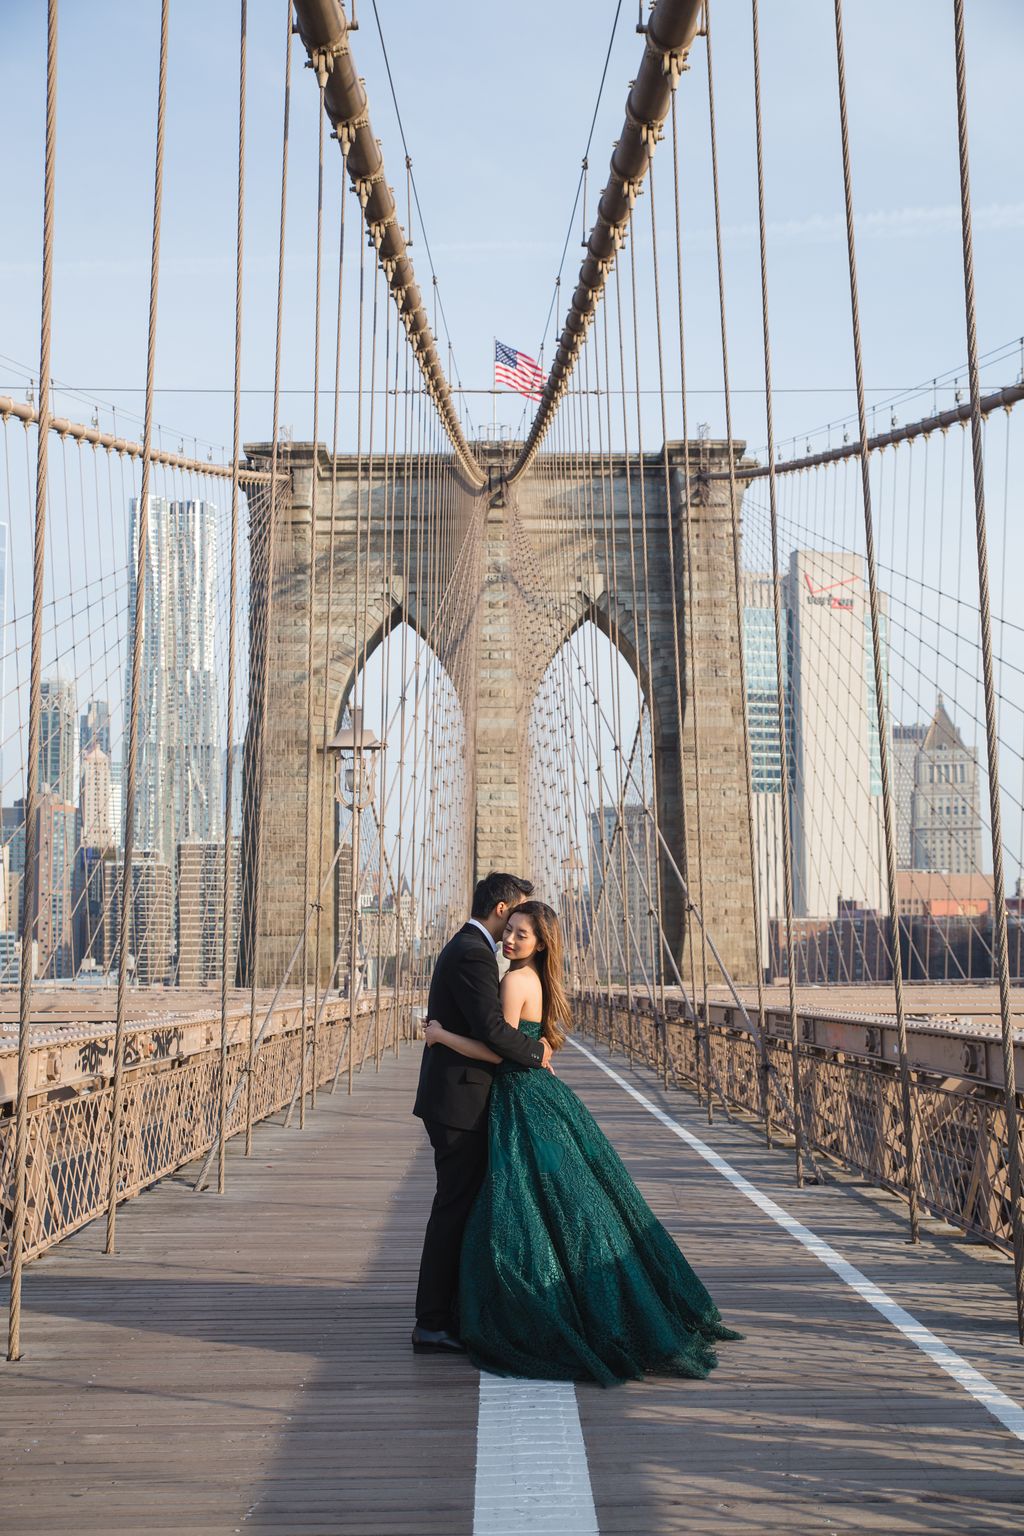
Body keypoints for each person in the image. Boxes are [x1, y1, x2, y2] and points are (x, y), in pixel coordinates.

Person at [422, 900, 740, 1387]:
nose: (509, 941)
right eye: (508, 931)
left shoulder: (512, 980)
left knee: (519, 1204)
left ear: (541, 942)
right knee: (564, 1200)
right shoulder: (543, 981)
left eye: (522, 935)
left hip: (518, 1099)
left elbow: (493, 1047)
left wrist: (441, 1035)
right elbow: (530, 1040)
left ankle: (537, 1309)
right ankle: (600, 1298)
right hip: (542, 1098)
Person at [411, 872, 552, 1354]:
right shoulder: (473, 952)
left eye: (523, 929)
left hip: (459, 1098)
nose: (513, 931)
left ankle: (449, 1311)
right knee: (454, 1210)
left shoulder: (469, 947)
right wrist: (537, 1054)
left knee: (462, 1207)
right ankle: (432, 1322)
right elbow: (493, 1031)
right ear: (502, 908)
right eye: (513, 919)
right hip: (459, 1103)